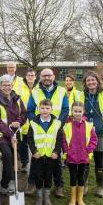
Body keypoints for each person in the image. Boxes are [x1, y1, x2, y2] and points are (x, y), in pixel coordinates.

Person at [26, 68, 69, 197]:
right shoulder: (35, 91)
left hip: (55, 128)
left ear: (53, 77)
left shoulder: (62, 91)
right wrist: (37, 123)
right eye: (44, 76)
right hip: (39, 128)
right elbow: (30, 110)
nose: (47, 78)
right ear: (40, 77)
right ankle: (32, 183)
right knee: (36, 158)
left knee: (55, 157)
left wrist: (58, 124)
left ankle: (59, 186)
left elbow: (66, 109)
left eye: (49, 75)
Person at [76, 71, 103, 197]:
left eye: (93, 80)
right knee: (84, 160)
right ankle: (84, 184)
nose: (91, 82)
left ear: (97, 81)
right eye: (88, 81)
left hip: (99, 133)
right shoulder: (80, 95)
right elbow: (75, 111)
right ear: (85, 83)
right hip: (83, 132)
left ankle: (100, 187)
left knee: (98, 160)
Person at [0, 75, 26, 195]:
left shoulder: (18, 99)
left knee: (10, 159)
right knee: (7, 154)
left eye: (9, 84)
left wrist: (19, 122)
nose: (7, 87)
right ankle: (11, 182)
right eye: (4, 85)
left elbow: (24, 114)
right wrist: (10, 134)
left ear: (12, 85)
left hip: (15, 134)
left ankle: (3, 185)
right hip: (1, 135)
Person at [27, 99, 63, 205]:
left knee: (48, 175)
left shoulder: (57, 123)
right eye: (42, 108)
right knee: (38, 175)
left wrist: (56, 152)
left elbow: (59, 139)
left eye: (47, 108)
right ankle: (39, 196)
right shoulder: (33, 123)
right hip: (38, 156)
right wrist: (34, 151)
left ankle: (46, 197)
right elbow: (30, 139)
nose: (45, 110)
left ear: (51, 110)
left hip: (51, 156)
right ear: (39, 109)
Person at [63, 101, 98, 205]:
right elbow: (64, 141)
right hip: (71, 157)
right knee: (73, 177)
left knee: (81, 178)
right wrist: (67, 151)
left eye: (80, 111)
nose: (77, 113)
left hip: (84, 157)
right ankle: (73, 199)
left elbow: (93, 139)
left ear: (83, 112)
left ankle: (80, 198)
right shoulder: (67, 126)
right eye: (75, 111)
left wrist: (88, 150)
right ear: (72, 112)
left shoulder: (89, 125)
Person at [18, 69, 38, 173]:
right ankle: (25, 163)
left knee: (36, 143)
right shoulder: (20, 87)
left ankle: (36, 163)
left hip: (36, 119)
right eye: (28, 75)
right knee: (23, 143)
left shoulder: (39, 87)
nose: (30, 77)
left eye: (32, 75)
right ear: (25, 76)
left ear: (35, 77)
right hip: (23, 118)